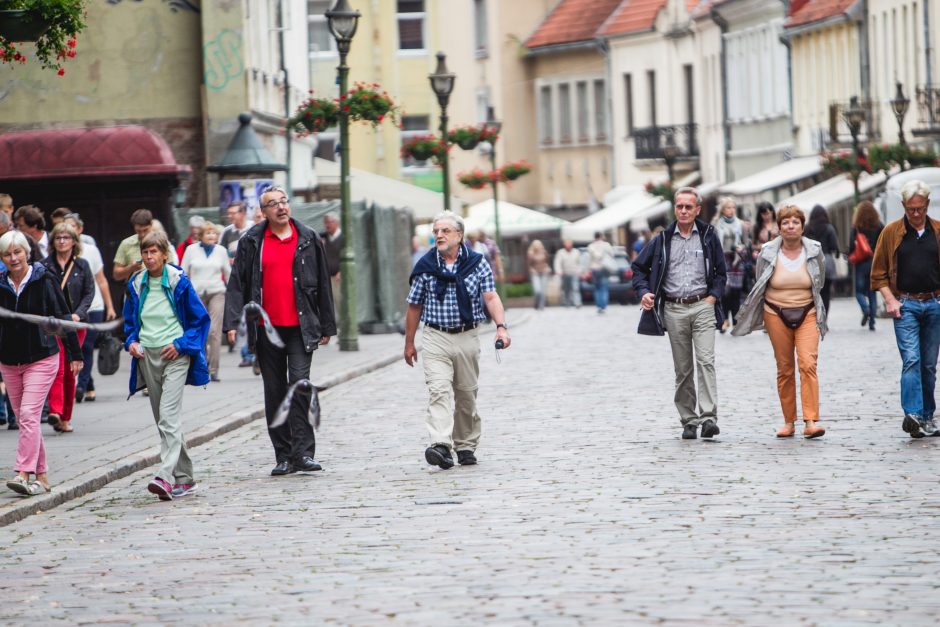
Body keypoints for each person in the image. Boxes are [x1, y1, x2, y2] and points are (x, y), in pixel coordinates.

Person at [223, 186, 336, 476]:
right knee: (274, 392)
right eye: (273, 204)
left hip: (301, 326)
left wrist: (327, 324)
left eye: (284, 201)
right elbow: (238, 282)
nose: (281, 207)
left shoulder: (309, 238)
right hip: (266, 329)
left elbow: (323, 282)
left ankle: (304, 453)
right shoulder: (252, 240)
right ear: (263, 212)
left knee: (299, 385)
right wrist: (231, 322)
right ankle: (283, 456)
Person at [404, 211, 511, 469]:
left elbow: (491, 297)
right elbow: (414, 306)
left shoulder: (478, 262)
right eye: (436, 231)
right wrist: (409, 342)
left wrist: (501, 327)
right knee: (438, 390)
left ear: (459, 235)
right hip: (435, 337)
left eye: (445, 231)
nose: (439, 235)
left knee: (466, 395)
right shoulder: (426, 266)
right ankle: (440, 444)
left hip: (467, 335)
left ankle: (464, 445)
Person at [632, 187, 727, 440]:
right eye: (679, 206)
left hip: (702, 306)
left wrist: (713, 297)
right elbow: (638, 268)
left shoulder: (708, 235)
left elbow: (721, 272)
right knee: (683, 368)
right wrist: (644, 291)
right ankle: (688, 420)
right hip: (673, 308)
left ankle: (708, 418)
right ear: (675, 208)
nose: (683, 211)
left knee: (706, 362)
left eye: (688, 206)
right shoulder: (662, 240)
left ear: (697, 209)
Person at [123, 230, 210, 500]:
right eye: (145, 253)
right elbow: (130, 322)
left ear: (164, 254)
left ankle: (164, 475)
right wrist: (131, 342)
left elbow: (200, 320)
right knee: (163, 421)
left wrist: (183, 344)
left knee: (168, 416)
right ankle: (186, 479)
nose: (149, 258)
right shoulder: (137, 283)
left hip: (175, 353)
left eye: (154, 252)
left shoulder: (178, 281)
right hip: (147, 355)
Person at [732, 204, 828, 438]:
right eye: (785, 222)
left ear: (802, 227)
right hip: (776, 312)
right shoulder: (767, 251)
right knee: (784, 368)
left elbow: (820, 281)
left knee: (807, 364)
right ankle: (789, 422)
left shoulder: (814, 250)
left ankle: (811, 421)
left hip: (807, 311)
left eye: (795, 222)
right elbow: (760, 280)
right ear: (779, 227)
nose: (790, 226)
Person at [0, 230, 83, 496]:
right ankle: (43, 476)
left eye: (18, 252)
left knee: (27, 415)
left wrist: (75, 354)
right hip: (10, 361)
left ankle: (22, 472)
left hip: (42, 357)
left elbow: (61, 316)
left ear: (27, 252)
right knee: (29, 421)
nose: (13, 258)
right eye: (7, 254)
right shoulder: (0, 283)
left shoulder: (43, 279)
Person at [870, 179, 940, 438]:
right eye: (911, 209)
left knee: (929, 365)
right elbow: (878, 274)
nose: (916, 214)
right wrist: (890, 299)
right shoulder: (891, 232)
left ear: (927, 205)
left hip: (934, 303)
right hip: (906, 304)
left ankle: (928, 416)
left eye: (920, 209)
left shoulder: (937, 231)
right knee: (912, 359)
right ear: (903, 206)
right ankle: (913, 415)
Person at [41, 223, 95, 433]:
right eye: (58, 238)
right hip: (54, 325)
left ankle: (65, 417)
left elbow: (89, 294)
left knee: (71, 368)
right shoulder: (45, 266)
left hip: (75, 324)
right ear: (53, 242)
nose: (62, 241)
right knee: (58, 366)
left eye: (66, 237)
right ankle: (55, 411)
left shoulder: (82, 266)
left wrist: (77, 314)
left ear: (74, 241)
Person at [63, 213, 117, 402]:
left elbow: (101, 280)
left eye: (72, 228)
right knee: (75, 346)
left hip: (94, 306)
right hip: (71, 308)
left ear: (80, 229)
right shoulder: (60, 253)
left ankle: (82, 385)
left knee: (87, 345)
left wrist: (110, 306)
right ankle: (89, 383)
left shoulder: (91, 250)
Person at [181, 221, 230, 382]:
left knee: (213, 332)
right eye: (208, 233)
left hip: (217, 292)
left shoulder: (221, 251)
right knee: (199, 331)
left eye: (214, 233)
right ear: (201, 235)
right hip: (196, 294)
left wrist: (234, 296)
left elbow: (228, 273)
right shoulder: (191, 250)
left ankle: (213, 368)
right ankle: (200, 366)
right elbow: (183, 272)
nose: (211, 236)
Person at [113, 209, 178, 282]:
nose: (142, 234)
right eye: (138, 231)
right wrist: (131, 267)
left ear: (151, 225)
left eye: (145, 230)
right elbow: (116, 275)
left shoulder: (162, 242)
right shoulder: (126, 244)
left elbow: (172, 269)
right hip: (135, 290)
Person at [849, 200, 883, 331]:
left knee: (858, 291)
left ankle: (865, 308)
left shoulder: (857, 226)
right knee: (872, 293)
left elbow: (851, 246)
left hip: (860, 263)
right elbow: (884, 241)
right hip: (874, 262)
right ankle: (872, 322)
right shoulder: (879, 225)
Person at [804, 205, 840, 314]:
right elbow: (834, 246)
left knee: (813, 293)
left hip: (811, 262)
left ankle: (815, 316)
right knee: (826, 293)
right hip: (826, 261)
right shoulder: (829, 228)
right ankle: (824, 319)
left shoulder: (806, 228)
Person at [587, 231, 614, 314]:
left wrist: (589, 270)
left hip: (595, 269)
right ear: (601, 236)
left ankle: (599, 306)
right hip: (604, 268)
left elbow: (589, 259)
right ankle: (603, 306)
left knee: (597, 288)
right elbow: (612, 255)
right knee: (604, 288)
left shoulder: (591, 246)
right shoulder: (606, 245)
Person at [554, 239, 582, 307]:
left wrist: (580, 271)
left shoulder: (576, 252)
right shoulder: (560, 252)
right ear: (564, 244)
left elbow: (580, 262)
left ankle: (577, 303)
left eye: (569, 243)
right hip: (565, 273)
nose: (568, 245)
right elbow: (557, 262)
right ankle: (567, 302)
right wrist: (559, 271)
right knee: (566, 289)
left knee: (575, 288)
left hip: (575, 272)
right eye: (567, 243)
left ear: (572, 244)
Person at [526, 239, 550, 310]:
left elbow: (547, 262)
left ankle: (541, 306)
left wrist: (547, 268)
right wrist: (532, 270)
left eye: (539, 244)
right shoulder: (530, 253)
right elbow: (529, 264)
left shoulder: (544, 252)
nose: (538, 246)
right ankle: (536, 303)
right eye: (536, 245)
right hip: (535, 273)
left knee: (543, 290)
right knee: (537, 290)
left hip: (543, 272)